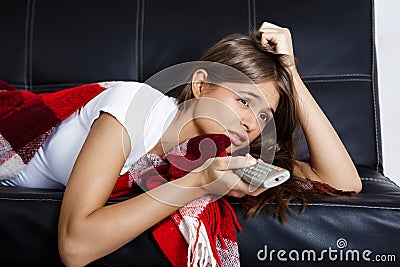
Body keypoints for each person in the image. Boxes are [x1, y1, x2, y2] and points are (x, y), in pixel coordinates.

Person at [0, 22, 362, 266]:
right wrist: (197, 184)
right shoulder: (133, 107)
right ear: (201, 85)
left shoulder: (220, 156)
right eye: (244, 101)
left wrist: (291, 72)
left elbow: (344, 182)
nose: (253, 123)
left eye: (265, 116)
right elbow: (74, 247)